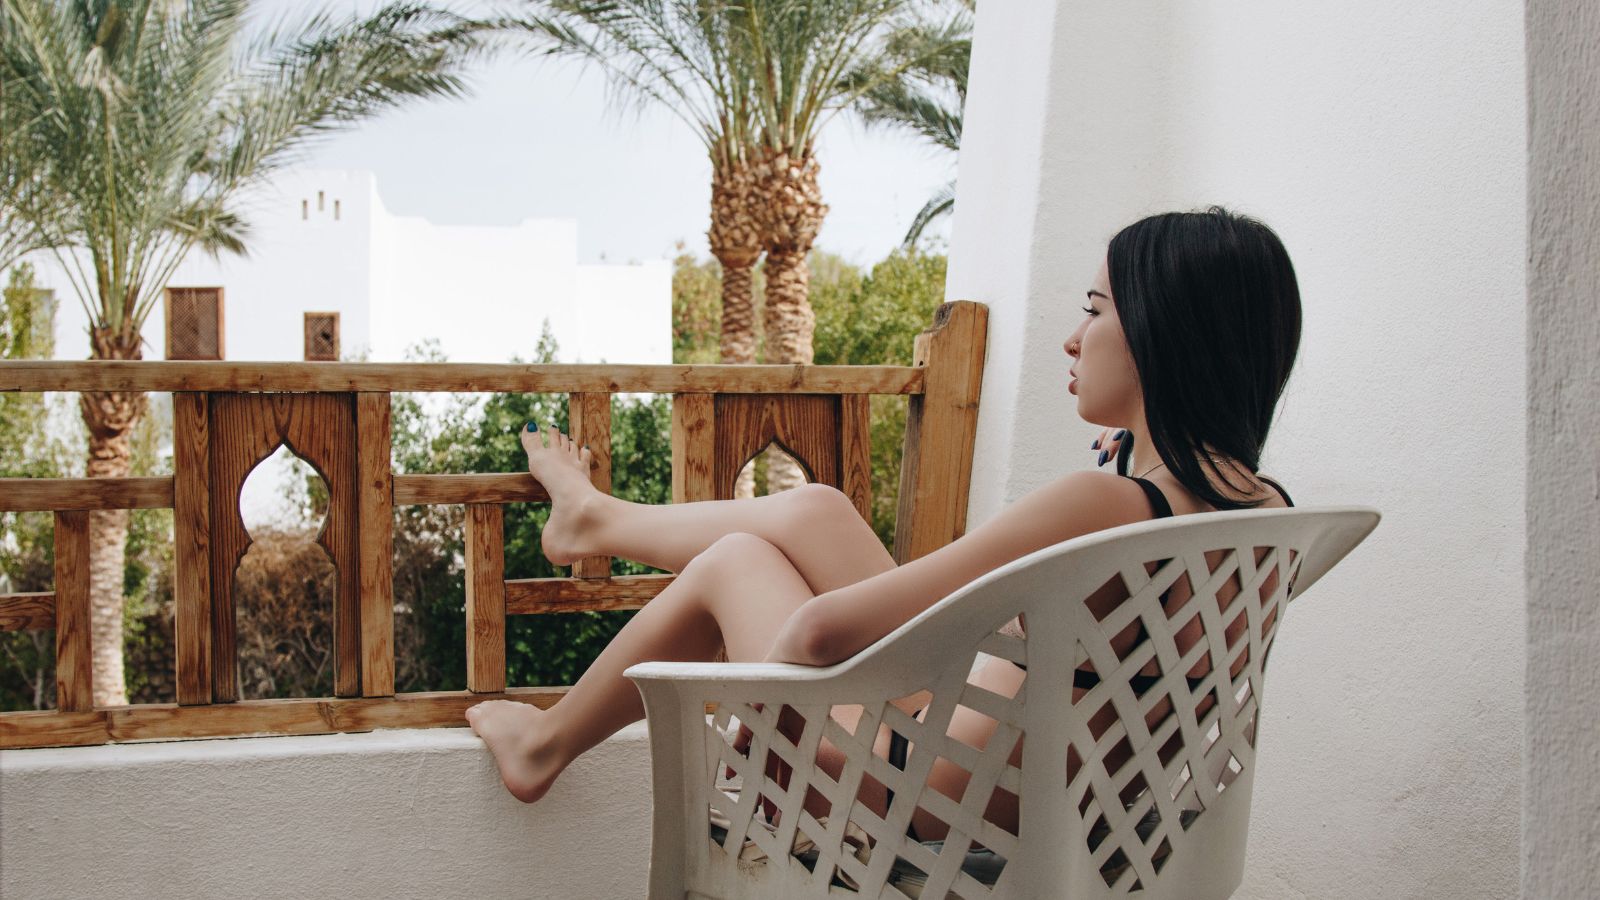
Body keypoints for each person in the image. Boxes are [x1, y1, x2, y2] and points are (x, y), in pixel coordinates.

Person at [465, 206, 1302, 844]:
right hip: (1092, 811)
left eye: (1095, 310)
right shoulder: (1263, 510)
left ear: (1164, 336)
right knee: (820, 508)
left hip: (927, 799)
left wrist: (768, 724)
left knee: (734, 561)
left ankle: (543, 743)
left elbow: (825, 635)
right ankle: (597, 517)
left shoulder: (1105, 506)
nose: (1072, 338)